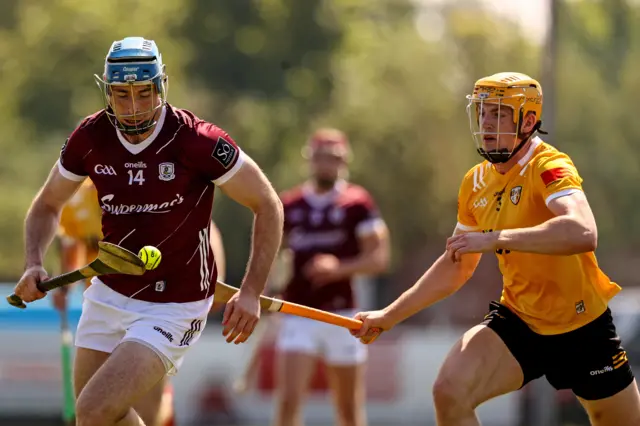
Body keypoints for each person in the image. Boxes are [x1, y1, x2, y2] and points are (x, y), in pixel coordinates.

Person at [13, 37, 283, 426]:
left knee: (97, 408)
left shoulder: (198, 141)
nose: (134, 108)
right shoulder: (89, 139)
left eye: (144, 93)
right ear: (107, 91)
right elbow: (47, 205)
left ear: (161, 87)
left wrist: (252, 290)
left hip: (175, 304)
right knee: (92, 420)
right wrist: (33, 263)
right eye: (122, 95)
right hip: (108, 292)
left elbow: (267, 204)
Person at [353, 72, 640, 426]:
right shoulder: (475, 182)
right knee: (449, 391)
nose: (486, 123)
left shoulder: (549, 166)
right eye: (483, 113)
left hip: (583, 328)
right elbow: (457, 264)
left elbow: (582, 231)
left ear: (528, 121)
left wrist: (497, 237)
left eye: (499, 114)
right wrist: (389, 315)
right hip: (519, 320)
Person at [53, 178, 228, 426]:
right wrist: (63, 286)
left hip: (153, 310)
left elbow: (207, 227)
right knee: (95, 411)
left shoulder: (145, 185)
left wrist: (215, 274)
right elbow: (73, 256)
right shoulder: (76, 202)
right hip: (102, 311)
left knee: (145, 411)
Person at [273, 128, 390, 426]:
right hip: (298, 312)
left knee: (348, 408)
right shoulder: (290, 204)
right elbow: (271, 253)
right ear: (310, 160)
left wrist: (337, 268)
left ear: (344, 161)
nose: (327, 165)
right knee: (288, 402)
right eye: (321, 158)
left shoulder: (357, 204)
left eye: (334, 158)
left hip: (343, 314)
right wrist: (268, 287)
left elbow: (379, 258)